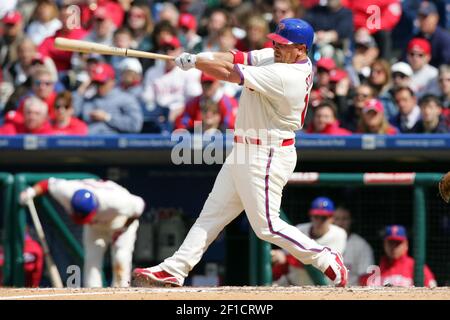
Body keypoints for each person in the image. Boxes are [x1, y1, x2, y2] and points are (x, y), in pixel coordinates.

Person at [132, 18, 348, 288]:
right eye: (275, 42)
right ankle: (175, 268)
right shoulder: (278, 56)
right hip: (245, 149)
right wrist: (201, 56)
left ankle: (324, 257)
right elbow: (235, 56)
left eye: (283, 45)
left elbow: (230, 73)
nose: (276, 48)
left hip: (267, 153)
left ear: (301, 50)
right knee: (211, 215)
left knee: (267, 226)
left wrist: (197, 63)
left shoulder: (288, 76)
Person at [19, 177, 146, 288]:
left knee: (121, 257)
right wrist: (31, 192)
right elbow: (47, 184)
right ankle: (92, 293)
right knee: (91, 258)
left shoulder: (115, 201)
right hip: (95, 226)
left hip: (120, 222)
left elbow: (139, 206)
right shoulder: (67, 191)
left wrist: (122, 229)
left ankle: (121, 294)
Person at [271, 197, 347, 286]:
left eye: (324, 218)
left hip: (322, 287)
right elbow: (285, 256)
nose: (319, 221)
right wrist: (280, 255)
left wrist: (288, 257)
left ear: (331, 218)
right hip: (292, 284)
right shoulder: (300, 229)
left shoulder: (339, 234)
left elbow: (323, 265)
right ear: (311, 216)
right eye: (316, 216)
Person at [141, 35, 201, 133]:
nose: (168, 52)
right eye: (165, 49)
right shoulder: (152, 72)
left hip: (184, 115)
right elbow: (148, 99)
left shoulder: (190, 71)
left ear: (180, 51)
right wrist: (157, 113)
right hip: (160, 116)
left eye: (172, 49)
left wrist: (178, 112)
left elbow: (195, 99)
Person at [74, 62, 143, 134]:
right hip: (89, 142)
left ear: (112, 81)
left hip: (115, 142)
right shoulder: (89, 100)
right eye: (96, 83)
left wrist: (107, 117)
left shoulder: (126, 98)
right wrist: (81, 89)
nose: (99, 86)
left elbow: (135, 126)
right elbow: (73, 114)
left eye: (102, 83)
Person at [361, 225, 437, 287]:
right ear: (384, 244)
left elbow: (433, 288)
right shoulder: (377, 268)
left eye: (398, 243)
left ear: (406, 245)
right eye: (391, 243)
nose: (394, 247)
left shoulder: (417, 267)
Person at [333, 206, 374, 286]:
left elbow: (366, 277)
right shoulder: (324, 241)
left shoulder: (361, 245)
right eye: (337, 219)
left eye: (345, 219)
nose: (340, 223)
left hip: (351, 293)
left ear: (351, 221)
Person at [414, 1, 450, 67]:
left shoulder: (445, 39)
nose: (422, 20)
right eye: (420, 17)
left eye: (425, 17)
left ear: (436, 17)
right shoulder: (416, 38)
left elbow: (446, 64)